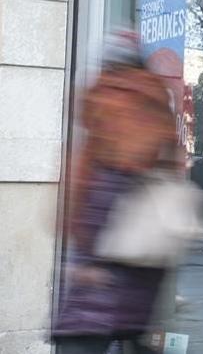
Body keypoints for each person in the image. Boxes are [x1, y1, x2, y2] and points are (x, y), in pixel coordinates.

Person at [53, 31, 180, 354]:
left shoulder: (105, 105)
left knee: (83, 339)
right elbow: (170, 175)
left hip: (103, 265)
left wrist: (86, 259)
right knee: (136, 336)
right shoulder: (157, 106)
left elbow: (94, 195)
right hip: (146, 259)